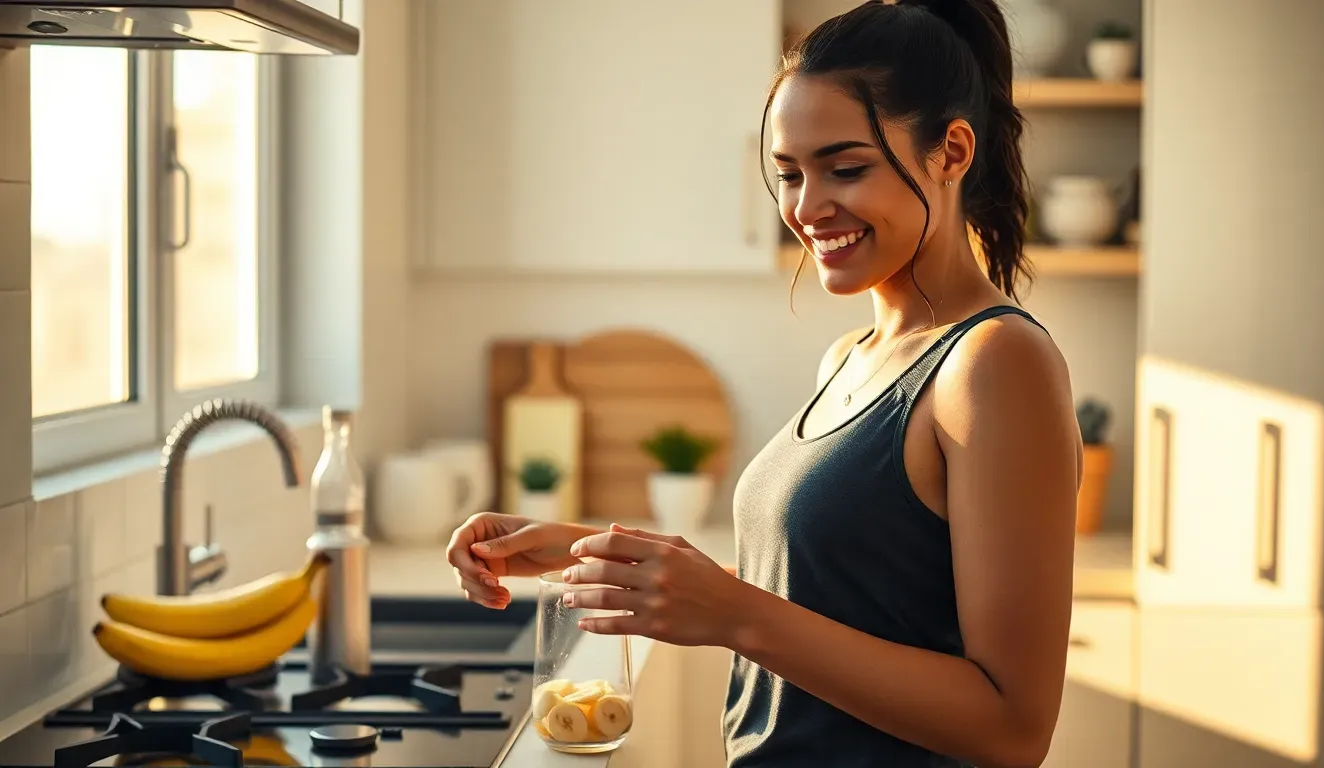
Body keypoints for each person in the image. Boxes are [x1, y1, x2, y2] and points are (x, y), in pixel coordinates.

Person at [445, 1, 1081, 765]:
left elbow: (1012, 729)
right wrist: (586, 551)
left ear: (951, 151)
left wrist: (736, 616)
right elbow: (827, 594)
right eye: (788, 174)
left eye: (845, 168)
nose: (807, 208)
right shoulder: (851, 354)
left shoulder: (993, 363)